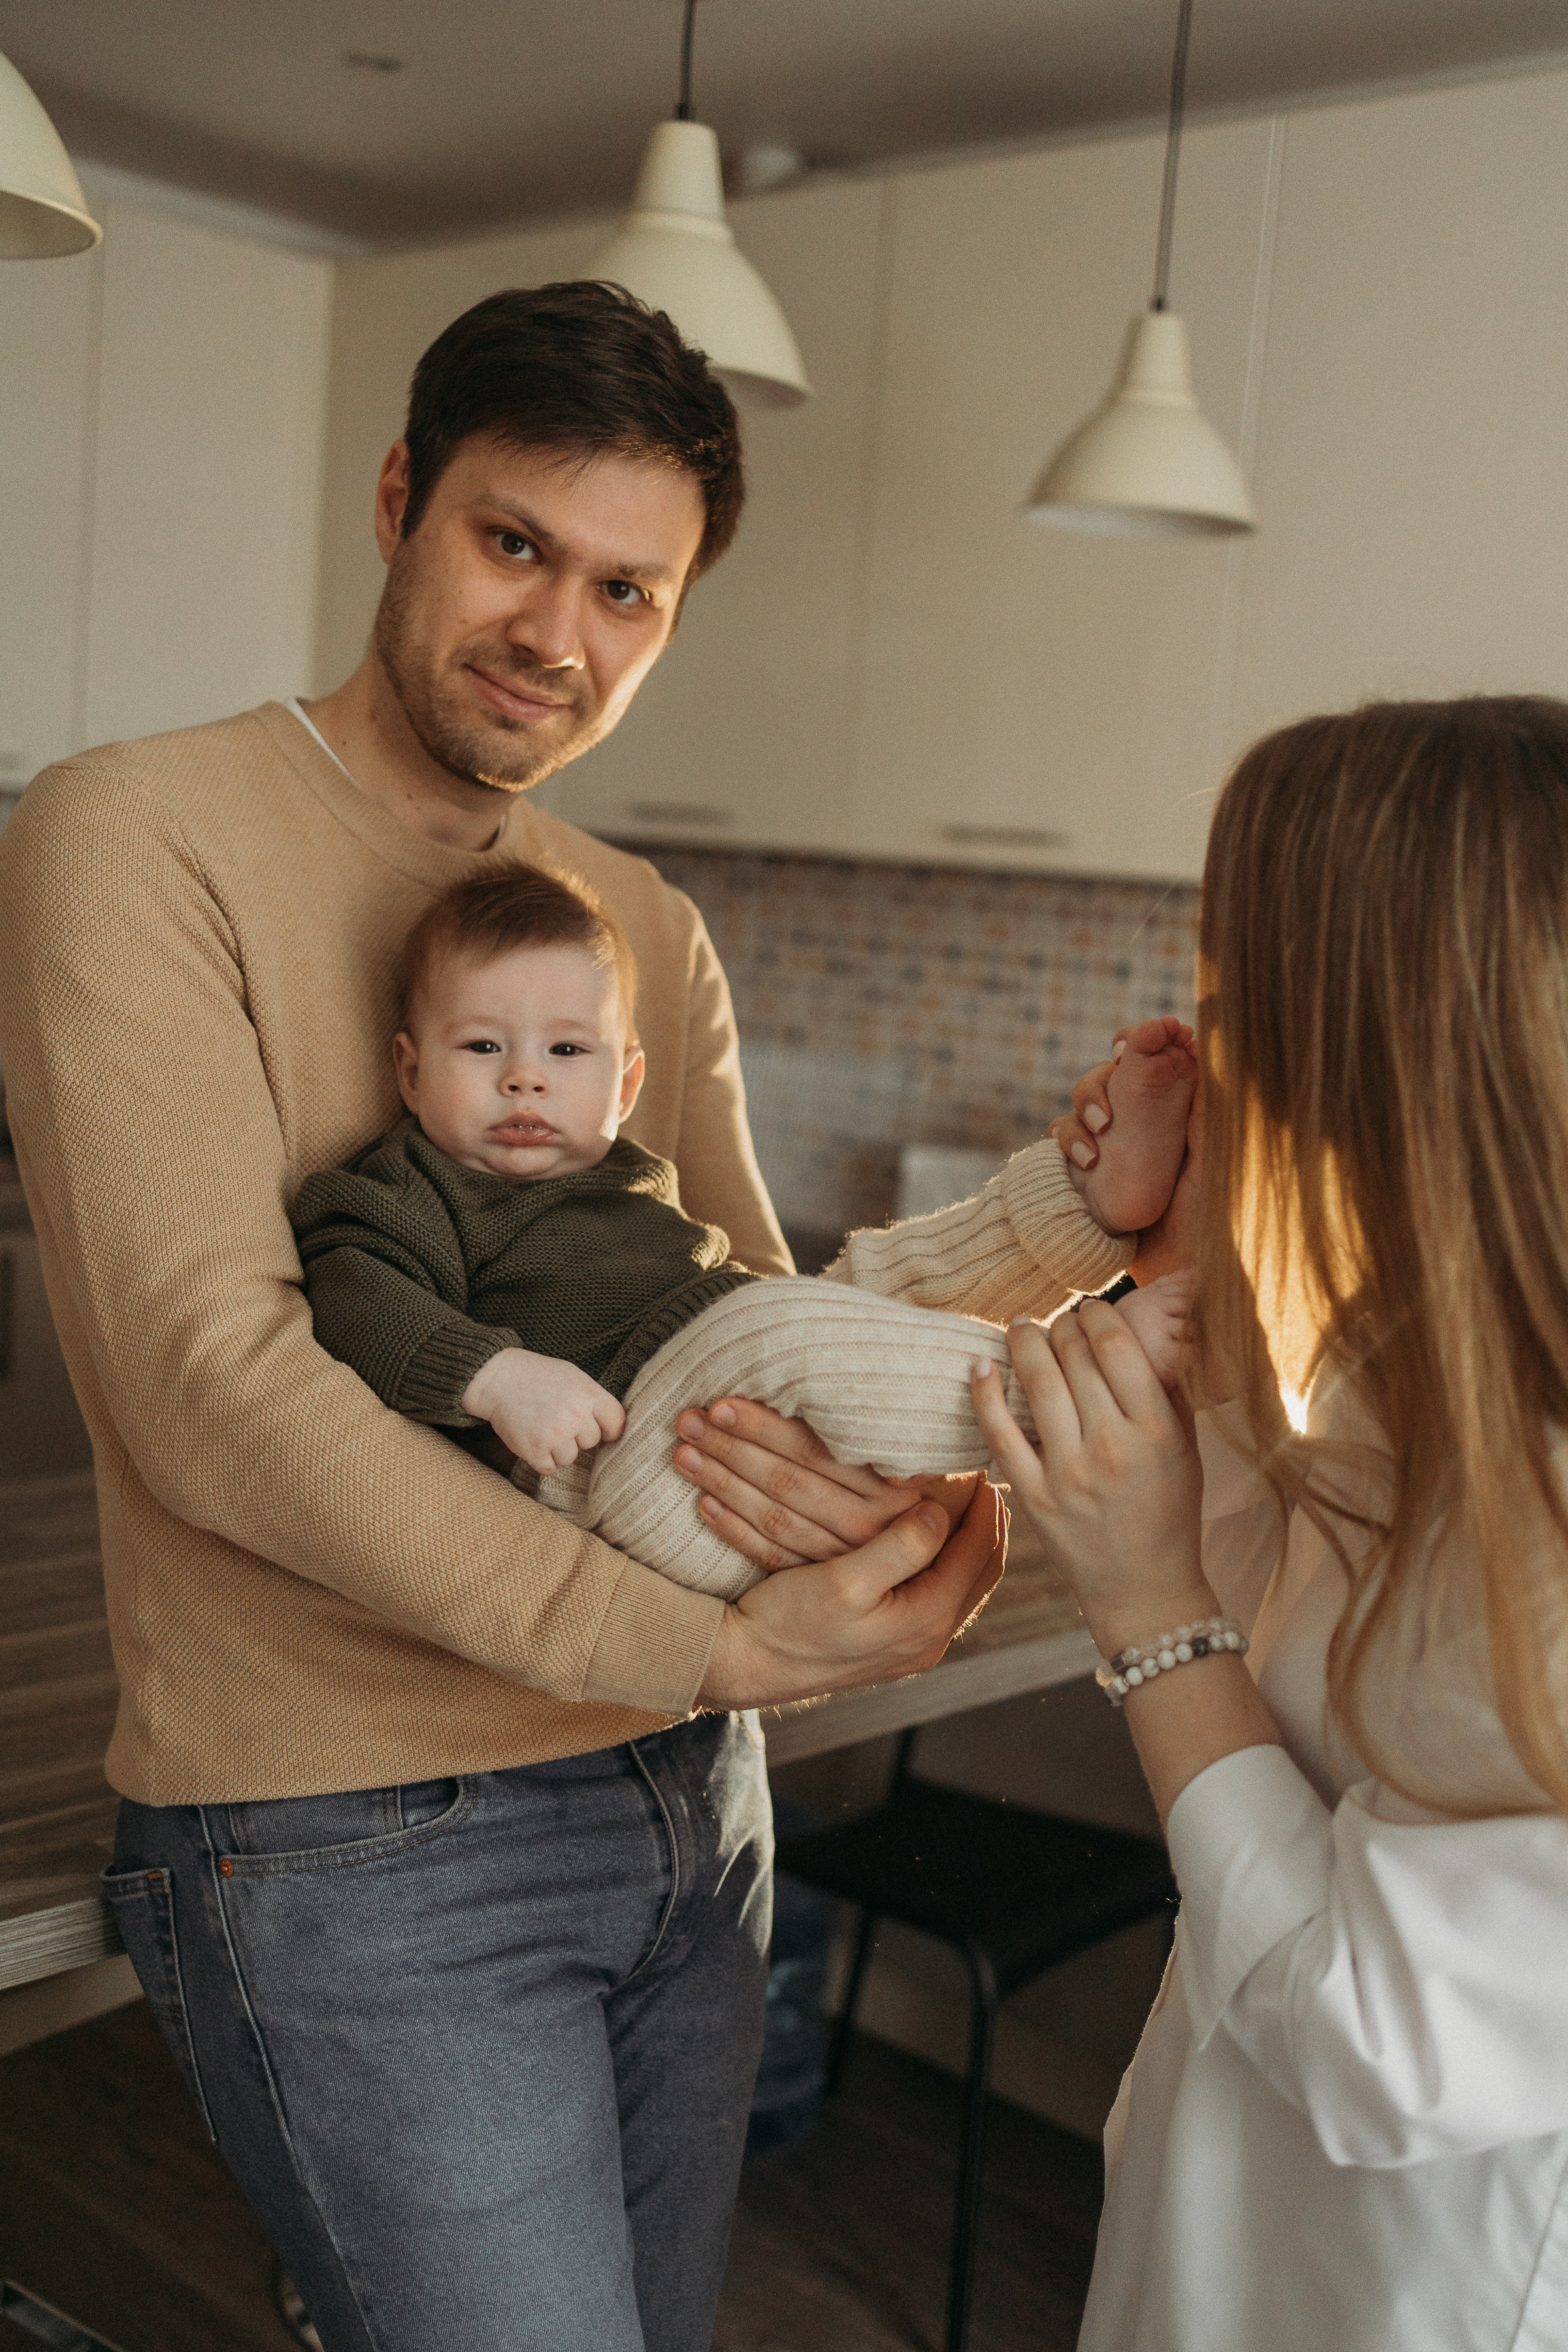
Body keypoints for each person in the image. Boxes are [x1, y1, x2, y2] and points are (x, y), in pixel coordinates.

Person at [0, 281, 1131, 2352]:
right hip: (352, 1833)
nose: (559, 634)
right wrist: (703, 1637)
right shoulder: (128, 834)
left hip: (689, 1802)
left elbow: (744, 1333)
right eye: (515, 544)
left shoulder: (645, 922)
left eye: (630, 588)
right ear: (400, 500)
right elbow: (215, 1390)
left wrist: (1047, 1259)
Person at [973, 696, 1568, 2351]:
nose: (1206, 1040)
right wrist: (1187, 1259)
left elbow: (1384, 2035)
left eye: (1245, 999)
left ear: (1383, 1038)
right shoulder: (1419, 1351)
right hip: (1234, 2241)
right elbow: (1291, 1651)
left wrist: (1142, 1606)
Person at [289, 856, 1196, 1598]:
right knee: (778, 1327)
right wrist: (493, 1380)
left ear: (626, 1086)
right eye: (483, 1047)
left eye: (566, 1051)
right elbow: (352, 1294)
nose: (525, 1078)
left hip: (721, 1410)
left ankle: (1081, 1211)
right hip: (613, 1483)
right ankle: (1085, 1378)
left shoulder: (627, 1181)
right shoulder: (407, 1189)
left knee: (868, 1285)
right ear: (409, 1074)